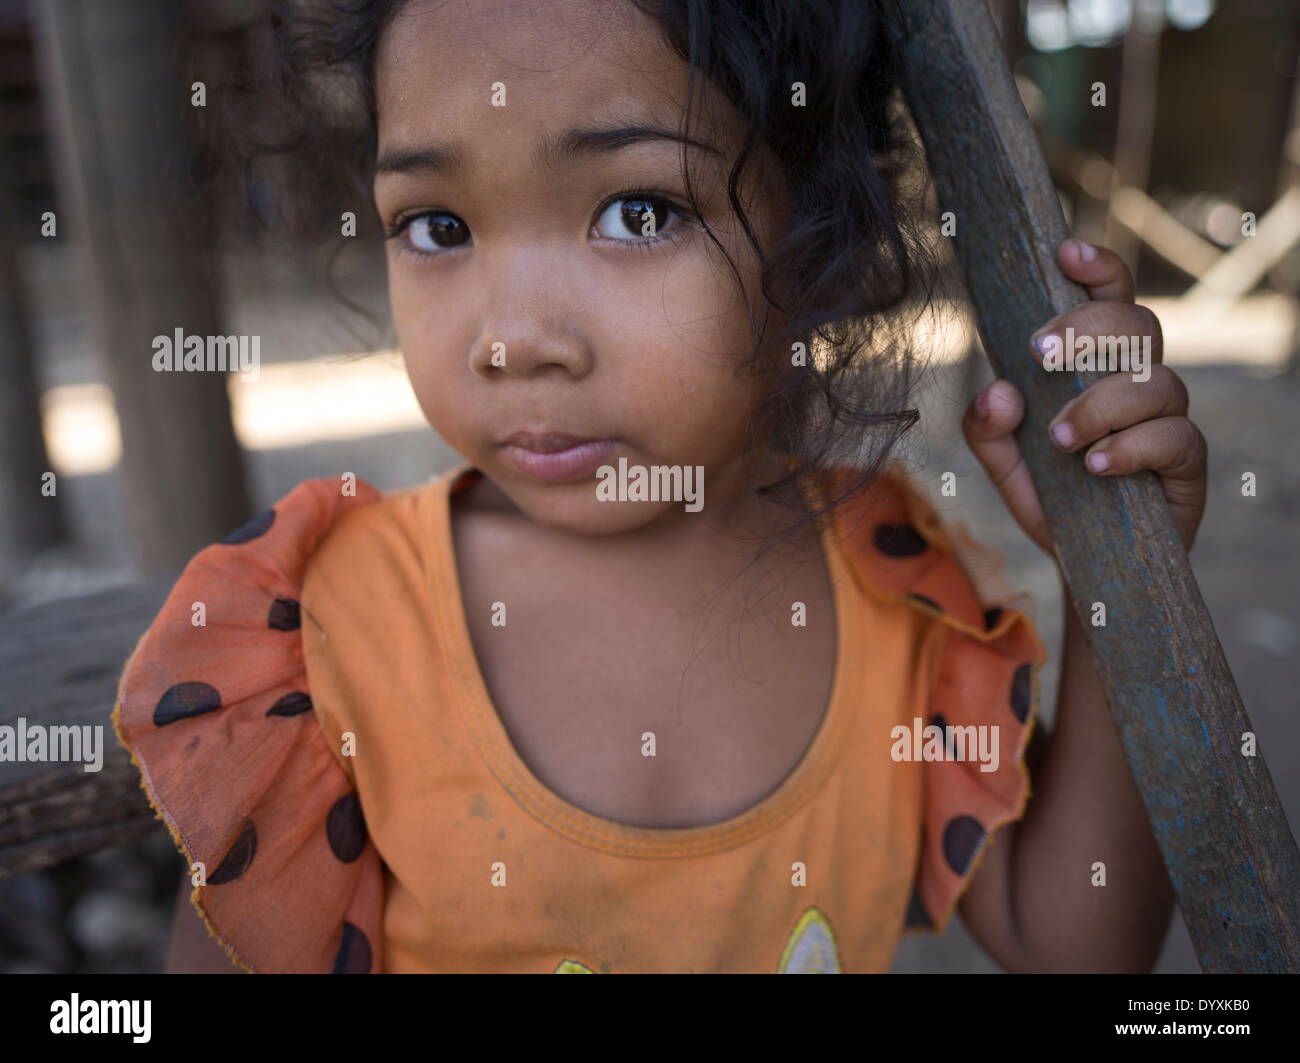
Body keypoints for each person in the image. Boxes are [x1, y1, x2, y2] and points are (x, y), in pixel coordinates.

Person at [113, 0, 1203, 973]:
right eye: (438, 226)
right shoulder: (325, 636)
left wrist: (1113, 571)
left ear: (819, 236)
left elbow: (1082, 942)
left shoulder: (898, 597)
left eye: (638, 213)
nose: (515, 339)